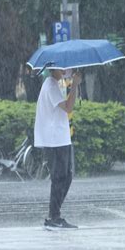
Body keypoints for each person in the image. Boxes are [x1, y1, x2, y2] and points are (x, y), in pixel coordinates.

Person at [34, 68, 82, 230]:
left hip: (60, 137)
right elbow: (69, 107)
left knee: (66, 175)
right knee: (60, 177)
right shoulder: (51, 86)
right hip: (55, 139)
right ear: (54, 68)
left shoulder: (55, 84)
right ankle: (54, 216)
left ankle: (54, 213)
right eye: (63, 67)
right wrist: (75, 85)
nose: (66, 70)